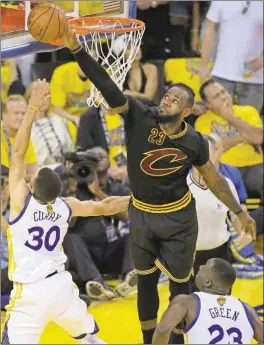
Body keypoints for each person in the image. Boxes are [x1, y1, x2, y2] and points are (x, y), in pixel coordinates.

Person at [60, 25, 256, 345]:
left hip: (178, 221)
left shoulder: (194, 142)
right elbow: (107, 85)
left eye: (175, 99)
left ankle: (177, 342)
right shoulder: (139, 114)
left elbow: (213, 178)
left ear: (188, 111)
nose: (167, 101)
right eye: (167, 95)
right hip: (142, 214)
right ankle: (149, 339)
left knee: (180, 288)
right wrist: (76, 49)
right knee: (146, 285)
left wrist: (239, 212)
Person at [2, 79, 130, 344]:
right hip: (61, 287)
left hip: (30, 292)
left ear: (31, 186)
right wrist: (144, 199)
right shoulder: (66, 205)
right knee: (86, 335)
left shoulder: (20, 203)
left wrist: (33, 109)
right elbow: (108, 205)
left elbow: (17, 153)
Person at [152, 258, 263, 344]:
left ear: (207, 282)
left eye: (204, 267)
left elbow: (162, 329)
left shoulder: (186, 302)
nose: (200, 267)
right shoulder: (247, 309)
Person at [196, 79, 263, 200]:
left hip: (256, 167)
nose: (223, 97)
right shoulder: (203, 121)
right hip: (225, 169)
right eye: (217, 96)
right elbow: (211, 148)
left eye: (223, 92)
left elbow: (258, 138)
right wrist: (241, 137)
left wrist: (230, 117)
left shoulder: (248, 111)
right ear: (208, 104)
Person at [187, 135, 242, 278]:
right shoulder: (180, 187)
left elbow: (237, 220)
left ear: (216, 155)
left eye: (207, 156)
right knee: (186, 299)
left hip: (220, 254)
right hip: (187, 257)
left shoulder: (227, 185)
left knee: (221, 298)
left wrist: (244, 233)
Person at [199, 1, 263, 112]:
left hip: (255, 77)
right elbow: (209, 31)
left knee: (250, 123)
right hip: (222, 73)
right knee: (220, 123)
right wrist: (204, 64)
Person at [30, 81, 74, 166]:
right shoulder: (26, 125)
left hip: (64, 166)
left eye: (47, 95)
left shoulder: (57, 119)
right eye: (41, 95)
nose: (45, 99)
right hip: (40, 170)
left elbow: (70, 149)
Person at [1, 94, 37, 179]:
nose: (20, 117)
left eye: (23, 113)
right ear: (4, 115)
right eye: (16, 113)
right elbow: (5, 173)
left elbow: (32, 171)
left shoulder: (25, 135)